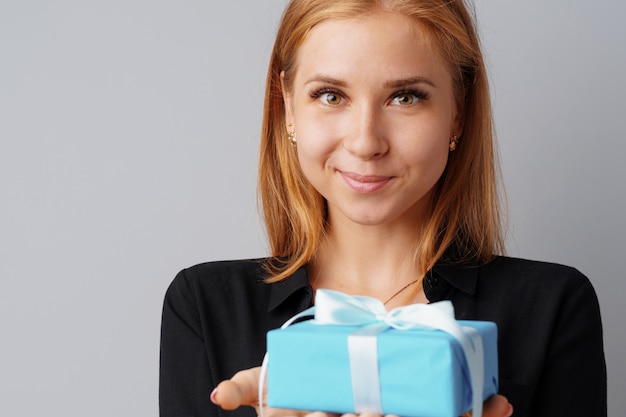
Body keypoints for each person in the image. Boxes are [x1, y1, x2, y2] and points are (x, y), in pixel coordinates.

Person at [159, 0, 607, 416]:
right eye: (331, 95)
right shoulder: (203, 306)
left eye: (405, 96)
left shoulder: (553, 307)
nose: (366, 142)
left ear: (458, 110)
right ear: (289, 104)